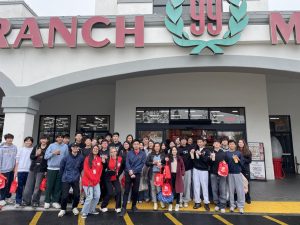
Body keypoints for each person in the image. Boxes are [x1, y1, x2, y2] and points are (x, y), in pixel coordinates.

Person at [119, 140, 146, 217]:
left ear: (139, 145)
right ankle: (123, 208)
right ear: (133, 145)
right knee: (126, 191)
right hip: (128, 173)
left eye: (137, 144)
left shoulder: (143, 154)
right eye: (135, 144)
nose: (136, 145)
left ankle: (133, 206)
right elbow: (127, 163)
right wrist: (130, 171)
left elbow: (142, 165)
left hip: (137, 174)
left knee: (135, 191)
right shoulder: (129, 153)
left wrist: (133, 171)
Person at [58, 143, 84, 217]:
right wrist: (63, 176)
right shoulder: (65, 157)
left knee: (76, 195)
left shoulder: (81, 157)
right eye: (74, 147)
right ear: (71, 148)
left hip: (75, 178)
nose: (75, 148)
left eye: (76, 147)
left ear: (78, 148)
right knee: (65, 196)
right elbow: (61, 168)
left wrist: (77, 174)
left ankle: (74, 207)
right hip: (66, 178)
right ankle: (63, 209)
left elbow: (81, 167)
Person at [22, 135, 49, 208]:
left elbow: (48, 160)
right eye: (42, 139)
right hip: (33, 168)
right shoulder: (36, 147)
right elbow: (31, 157)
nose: (43, 140)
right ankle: (26, 201)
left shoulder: (48, 148)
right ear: (40, 140)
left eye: (45, 139)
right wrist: (36, 154)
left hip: (41, 170)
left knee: (37, 187)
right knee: (28, 186)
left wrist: (46, 170)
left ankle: (35, 201)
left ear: (47, 140)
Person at [44, 134, 69, 209]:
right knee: (49, 185)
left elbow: (66, 157)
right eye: (58, 137)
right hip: (51, 168)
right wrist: (53, 153)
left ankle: (55, 201)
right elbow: (46, 156)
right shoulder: (51, 145)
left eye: (61, 137)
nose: (60, 138)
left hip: (61, 169)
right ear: (56, 138)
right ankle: (47, 201)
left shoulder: (65, 146)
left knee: (58, 186)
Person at [81, 145, 103, 219]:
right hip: (88, 182)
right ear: (92, 150)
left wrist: (97, 179)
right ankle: (84, 212)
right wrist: (93, 179)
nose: (96, 150)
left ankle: (91, 210)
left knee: (97, 196)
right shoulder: (87, 159)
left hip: (96, 181)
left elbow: (100, 171)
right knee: (89, 197)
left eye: (97, 149)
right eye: (94, 148)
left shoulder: (99, 159)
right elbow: (86, 171)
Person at [100, 147, 123, 213]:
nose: (113, 153)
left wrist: (118, 174)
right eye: (111, 152)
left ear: (116, 152)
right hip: (108, 178)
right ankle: (103, 206)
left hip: (115, 177)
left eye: (114, 151)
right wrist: (103, 162)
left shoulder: (120, 159)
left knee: (118, 191)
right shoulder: (107, 159)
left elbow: (122, 167)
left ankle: (118, 207)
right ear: (110, 153)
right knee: (110, 192)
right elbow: (103, 168)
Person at [190, 138, 210, 211]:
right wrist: (192, 153)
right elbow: (193, 159)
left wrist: (200, 155)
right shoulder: (195, 150)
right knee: (196, 186)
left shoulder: (207, 150)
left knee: (204, 186)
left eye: (200, 142)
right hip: (196, 169)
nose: (199, 143)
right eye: (198, 142)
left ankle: (206, 202)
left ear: (203, 142)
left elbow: (207, 160)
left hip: (204, 170)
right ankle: (197, 202)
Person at [226, 140, 245, 214]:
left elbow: (242, 163)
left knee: (240, 190)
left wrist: (238, 159)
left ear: (235, 145)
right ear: (228, 145)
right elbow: (225, 163)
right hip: (230, 174)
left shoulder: (239, 153)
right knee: (231, 190)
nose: (231, 145)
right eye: (230, 144)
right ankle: (232, 205)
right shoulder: (226, 153)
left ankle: (240, 206)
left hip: (238, 173)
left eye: (233, 144)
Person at [14, 137, 34, 208]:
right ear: (24, 142)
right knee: (19, 187)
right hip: (20, 170)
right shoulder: (20, 149)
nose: (28, 142)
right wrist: (15, 172)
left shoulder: (33, 150)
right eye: (26, 141)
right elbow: (17, 161)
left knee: (28, 187)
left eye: (29, 141)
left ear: (32, 142)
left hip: (30, 171)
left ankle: (27, 201)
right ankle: (18, 201)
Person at [146, 142, 166, 210]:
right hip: (152, 173)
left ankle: (161, 201)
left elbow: (166, 164)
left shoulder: (163, 154)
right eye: (156, 146)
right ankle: (155, 202)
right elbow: (147, 163)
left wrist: (162, 166)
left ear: (160, 147)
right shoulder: (150, 154)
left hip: (160, 174)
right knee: (153, 188)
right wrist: (153, 163)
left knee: (159, 189)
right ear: (154, 147)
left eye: (158, 146)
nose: (157, 147)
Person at [0, 133, 17, 207]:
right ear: (5, 139)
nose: (10, 139)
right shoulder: (1, 148)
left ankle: (8, 197)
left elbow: (15, 158)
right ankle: (2, 199)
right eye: (8, 138)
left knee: (10, 184)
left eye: (11, 138)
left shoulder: (14, 147)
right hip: (3, 170)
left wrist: (14, 168)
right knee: (3, 185)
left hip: (11, 169)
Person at [210, 139, 226, 213]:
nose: (216, 144)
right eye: (215, 143)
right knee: (214, 189)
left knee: (222, 189)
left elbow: (227, 163)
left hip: (222, 174)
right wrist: (211, 159)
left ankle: (222, 205)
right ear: (213, 144)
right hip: (213, 173)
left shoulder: (223, 153)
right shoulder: (211, 152)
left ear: (220, 144)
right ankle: (217, 203)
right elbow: (208, 163)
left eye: (218, 143)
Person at [167, 146, 185, 212]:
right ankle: (170, 204)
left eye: (175, 150)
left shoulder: (179, 158)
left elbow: (183, 166)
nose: (174, 151)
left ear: (177, 151)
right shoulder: (169, 158)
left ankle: (177, 204)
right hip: (171, 176)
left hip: (178, 175)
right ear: (171, 151)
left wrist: (182, 173)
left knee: (178, 190)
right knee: (171, 190)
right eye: (173, 150)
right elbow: (165, 165)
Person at [178, 137, 192, 208]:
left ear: (186, 141)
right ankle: (180, 201)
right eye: (182, 140)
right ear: (180, 141)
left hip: (188, 170)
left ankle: (186, 201)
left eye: (184, 140)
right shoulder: (178, 149)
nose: (183, 141)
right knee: (180, 186)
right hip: (180, 170)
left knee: (187, 186)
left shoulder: (190, 148)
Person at [238, 139, 252, 204]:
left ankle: (248, 197)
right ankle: (241, 197)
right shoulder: (236, 151)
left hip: (245, 170)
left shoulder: (247, 151)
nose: (240, 143)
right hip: (239, 169)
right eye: (239, 142)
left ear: (244, 144)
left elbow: (250, 161)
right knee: (239, 184)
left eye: (241, 142)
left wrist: (242, 159)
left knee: (246, 183)